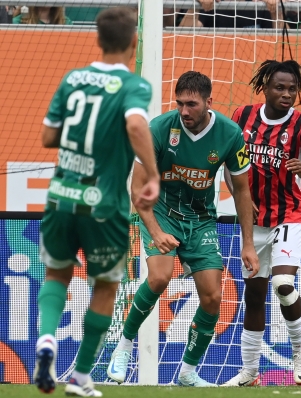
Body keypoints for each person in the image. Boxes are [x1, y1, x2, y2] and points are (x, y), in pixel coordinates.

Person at [33, 7, 159, 397]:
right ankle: (82, 377)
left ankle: (47, 340)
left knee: (56, 275)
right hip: (102, 204)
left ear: (98, 40)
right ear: (133, 42)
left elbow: (47, 136)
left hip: (60, 197)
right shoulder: (133, 86)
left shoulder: (72, 79)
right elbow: (136, 124)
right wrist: (152, 174)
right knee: (105, 287)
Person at [106, 71, 260, 387]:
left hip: (201, 218)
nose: (185, 111)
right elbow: (136, 190)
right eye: (180, 104)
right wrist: (157, 231)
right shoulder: (160, 129)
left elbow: (243, 191)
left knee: (214, 297)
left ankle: (187, 373)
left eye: (191, 104)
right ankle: (124, 346)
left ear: (208, 102)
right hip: (160, 211)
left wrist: (248, 244)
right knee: (160, 276)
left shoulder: (230, 135)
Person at [221, 60, 301, 387]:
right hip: (254, 220)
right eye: (279, 87)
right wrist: (239, 199)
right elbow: (229, 165)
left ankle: (300, 351)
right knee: (254, 296)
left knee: (283, 284)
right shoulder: (242, 116)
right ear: (265, 87)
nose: (286, 93)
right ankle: (249, 373)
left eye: (292, 89)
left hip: (289, 214)